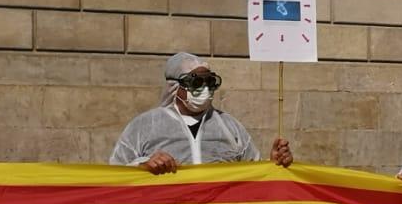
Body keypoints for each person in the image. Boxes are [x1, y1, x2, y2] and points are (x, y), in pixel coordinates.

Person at [109, 53, 292, 174]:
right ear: (174, 86)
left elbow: (254, 172)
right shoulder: (145, 126)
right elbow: (115, 173)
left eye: (209, 82)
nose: (205, 89)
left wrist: (272, 164)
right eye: (196, 83)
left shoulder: (229, 127)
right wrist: (143, 165)